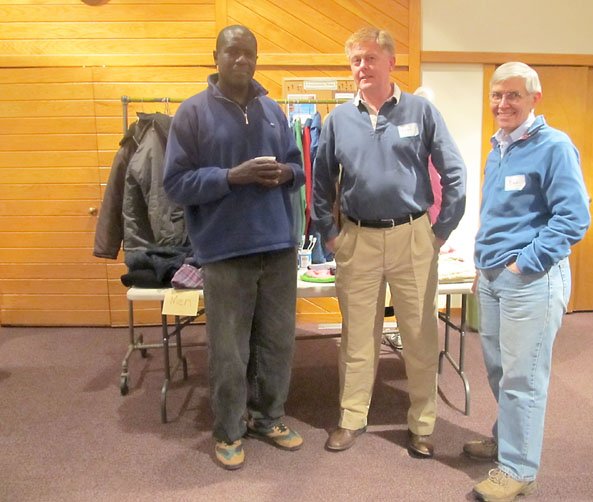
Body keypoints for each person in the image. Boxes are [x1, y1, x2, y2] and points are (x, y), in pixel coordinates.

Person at [311, 26, 467, 458]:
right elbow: (320, 183)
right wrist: (330, 234)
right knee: (357, 336)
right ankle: (351, 417)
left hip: (413, 236)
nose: (361, 67)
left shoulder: (421, 111)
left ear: (391, 62)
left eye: (369, 58)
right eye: (355, 60)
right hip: (357, 240)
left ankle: (422, 424)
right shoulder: (338, 119)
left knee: (418, 336)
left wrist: (439, 232)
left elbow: (454, 173)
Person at [163, 25, 306, 471]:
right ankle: (228, 428)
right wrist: (231, 176)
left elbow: (299, 168)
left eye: (249, 53)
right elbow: (175, 184)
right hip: (224, 252)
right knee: (229, 349)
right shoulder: (191, 114)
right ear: (216, 56)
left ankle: (268, 418)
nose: (242, 60)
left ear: (257, 59)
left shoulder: (273, 111)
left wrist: (286, 173)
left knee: (278, 343)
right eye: (233, 52)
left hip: (279, 246)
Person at [466, 62, 590, 501]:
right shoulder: (497, 148)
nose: (503, 103)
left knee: (524, 377)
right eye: (497, 95)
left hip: (531, 278)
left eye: (514, 95)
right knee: (501, 371)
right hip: (494, 277)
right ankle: (506, 442)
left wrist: (526, 262)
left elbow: (575, 217)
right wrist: (485, 260)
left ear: (534, 99)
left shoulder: (554, 146)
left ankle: (518, 470)